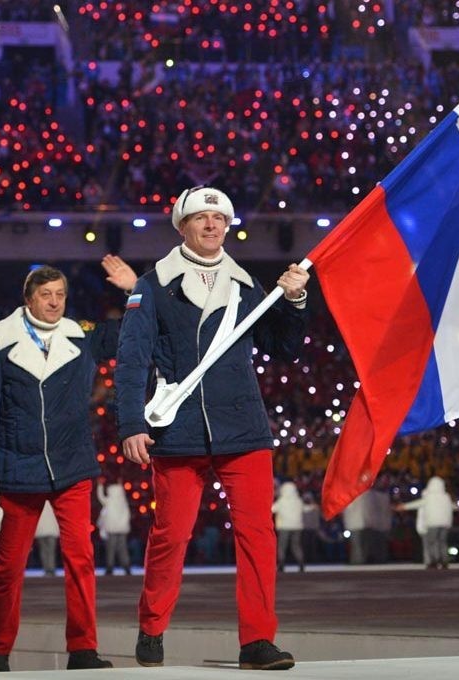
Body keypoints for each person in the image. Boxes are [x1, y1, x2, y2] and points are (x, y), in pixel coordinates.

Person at [115, 186, 308, 671]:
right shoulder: (153, 283)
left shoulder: (246, 284)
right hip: (178, 431)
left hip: (243, 428)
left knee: (258, 535)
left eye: (219, 218)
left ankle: (257, 642)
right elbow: (132, 358)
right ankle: (152, 625)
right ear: (183, 226)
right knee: (170, 536)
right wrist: (131, 423)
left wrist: (296, 299)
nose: (212, 225)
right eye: (201, 218)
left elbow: (284, 348)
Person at [0, 261, 135, 672]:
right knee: (8, 568)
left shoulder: (83, 336)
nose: (55, 302)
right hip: (17, 468)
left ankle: (83, 650)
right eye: (46, 295)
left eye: (60, 294)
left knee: (81, 558)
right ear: (28, 299)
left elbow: (133, 332)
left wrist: (135, 290)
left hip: (72, 464)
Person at [395, 476, 459, 569]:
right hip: (445, 524)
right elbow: (453, 506)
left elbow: (418, 504)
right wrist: (458, 507)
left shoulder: (429, 497)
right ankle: (444, 561)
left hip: (432, 523)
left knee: (432, 542)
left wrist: (404, 506)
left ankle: (433, 561)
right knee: (442, 542)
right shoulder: (446, 497)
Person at [97, 479, 133, 575]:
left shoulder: (109, 500)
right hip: (122, 528)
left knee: (110, 548)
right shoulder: (123, 501)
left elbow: (100, 497)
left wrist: (100, 486)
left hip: (111, 528)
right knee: (123, 548)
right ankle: (126, 566)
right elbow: (128, 514)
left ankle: (110, 567)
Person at [272, 481, 306, 572]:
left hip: (284, 527)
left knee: (282, 546)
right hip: (297, 527)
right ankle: (301, 563)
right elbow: (305, 508)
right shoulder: (298, 501)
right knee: (296, 545)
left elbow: (272, 509)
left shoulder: (281, 501)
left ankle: (281, 564)